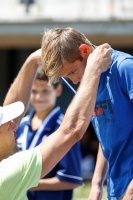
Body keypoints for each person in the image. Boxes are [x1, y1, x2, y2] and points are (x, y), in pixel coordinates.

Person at [0, 44, 112, 200]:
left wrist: (32, 61)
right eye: (7, 126)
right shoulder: (8, 172)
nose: (14, 125)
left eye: (45, 91)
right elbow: (71, 130)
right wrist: (93, 70)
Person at [41, 27, 133, 200]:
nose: (74, 81)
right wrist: (97, 185)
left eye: (73, 72)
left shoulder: (125, 67)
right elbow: (107, 136)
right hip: (116, 187)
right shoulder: (92, 82)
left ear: (85, 51)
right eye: (68, 78)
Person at [16, 68, 82, 200]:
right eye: (33, 91)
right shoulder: (20, 126)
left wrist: (28, 184)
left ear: (58, 90)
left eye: (45, 91)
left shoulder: (64, 128)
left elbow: (72, 179)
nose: (39, 97)